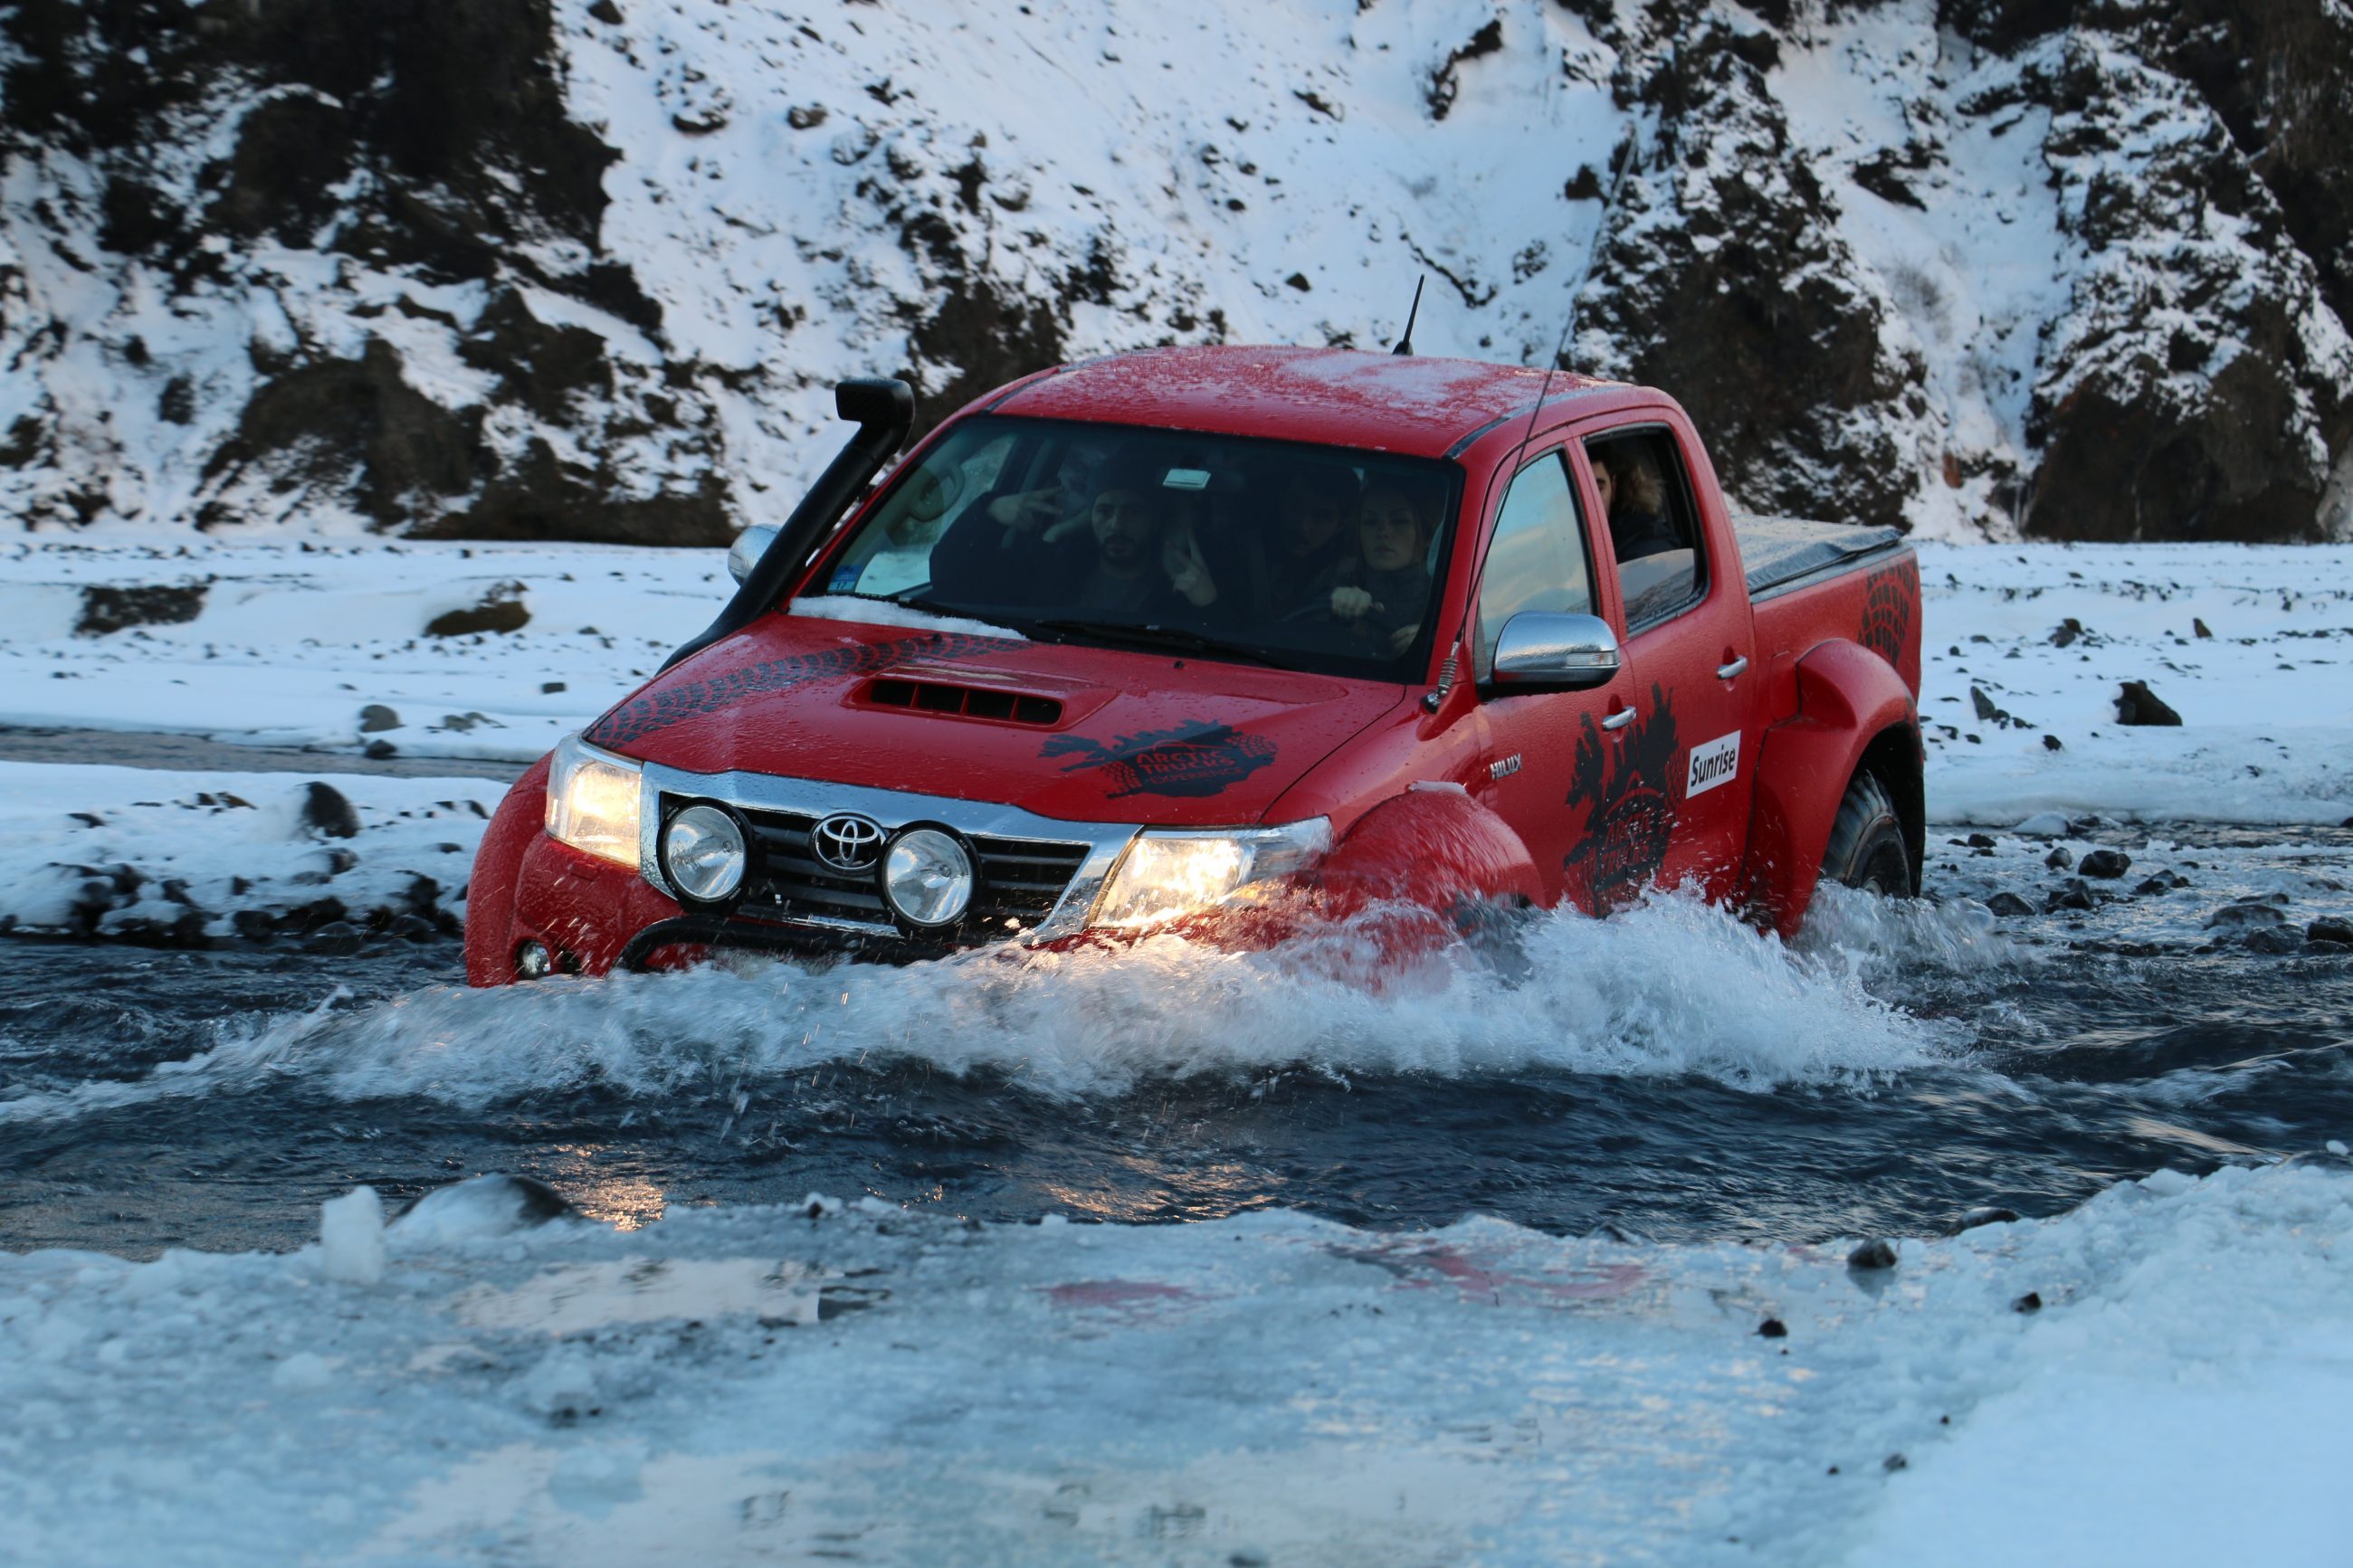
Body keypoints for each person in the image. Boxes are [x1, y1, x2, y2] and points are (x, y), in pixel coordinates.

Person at [927, 457, 1219, 620]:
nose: (1117, 524)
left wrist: (1208, 604)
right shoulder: (1048, 566)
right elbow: (950, 580)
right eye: (1104, 510)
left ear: (1155, 521)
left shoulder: (1184, 585)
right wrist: (990, 513)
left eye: (1134, 511)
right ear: (1089, 516)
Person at [1310, 477, 1439, 657]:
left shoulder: (1447, 596)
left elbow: (1473, 664)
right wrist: (1339, 617)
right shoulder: (1336, 582)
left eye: (1399, 521)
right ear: (1360, 533)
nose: (1383, 532)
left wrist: (1435, 644)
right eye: (1371, 522)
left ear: (1426, 534)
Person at [1588, 443, 1681, 562]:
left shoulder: (1645, 546)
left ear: (1614, 487)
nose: (1590, 502)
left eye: (1598, 489)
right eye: (1578, 491)